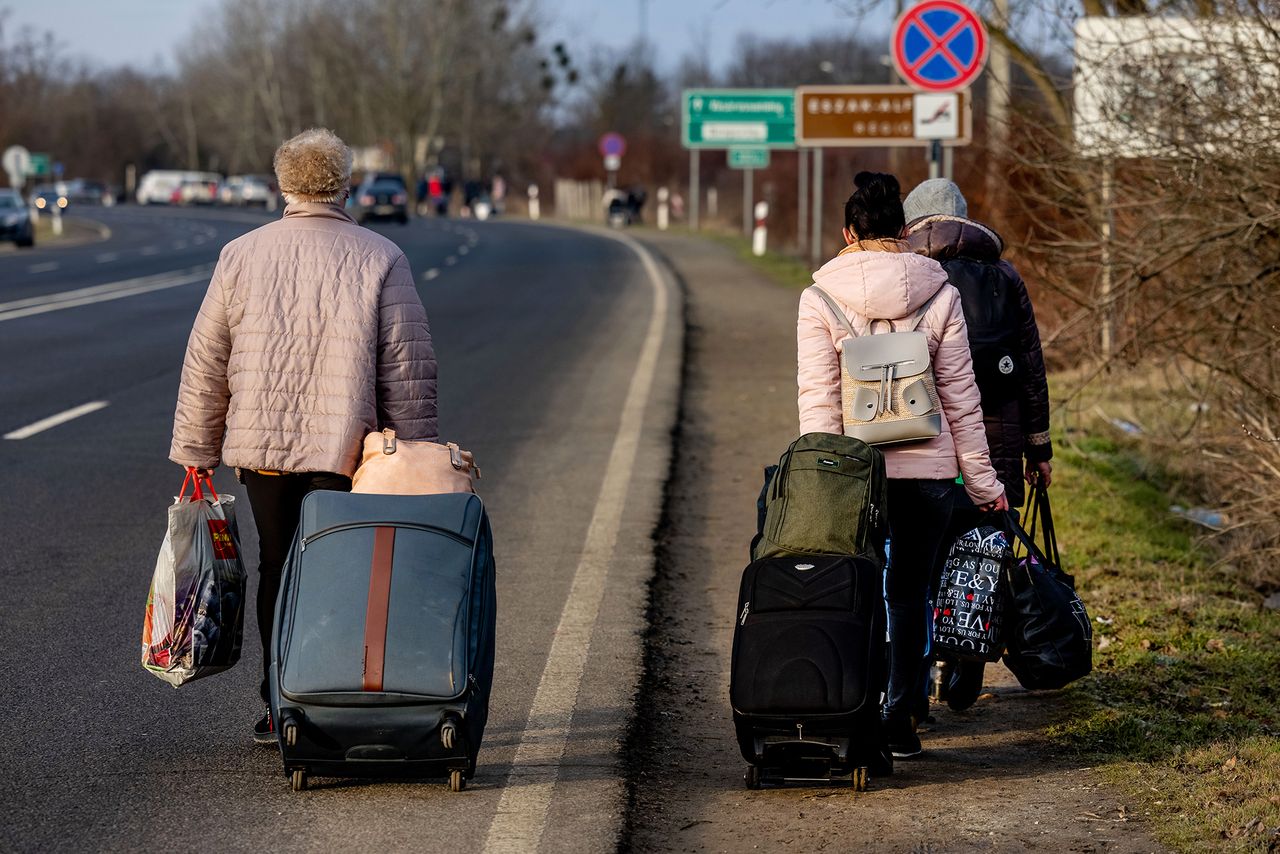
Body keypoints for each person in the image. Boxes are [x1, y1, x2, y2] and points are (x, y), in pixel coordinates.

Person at [168, 128, 438, 744]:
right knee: (340, 568)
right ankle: (334, 697)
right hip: (345, 449)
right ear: (344, 183)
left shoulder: (241, 253)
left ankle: (278, 703)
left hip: (262, 451)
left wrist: (195, 450)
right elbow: (405, 365)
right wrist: (414, 452)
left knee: (278, 566)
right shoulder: (380, 256)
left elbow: (207, 358)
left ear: (284, 184)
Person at [797, 171, 1006, 759]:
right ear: (905, 233)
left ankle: (856, 711)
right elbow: (963, 399)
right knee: (910, 594)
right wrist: (986, 486)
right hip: (930, 477)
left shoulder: (820, 298)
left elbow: (820, 403)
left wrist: (822, 483)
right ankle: (902, 714)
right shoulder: (940, 293)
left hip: (855, 476)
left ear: (847, 232)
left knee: (857, 589)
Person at [903, 179, 1053, 712]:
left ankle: (914, 685)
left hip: (925, 438)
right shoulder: (1005, 275)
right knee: (982, 554)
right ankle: (965, 658)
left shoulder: (910, 273)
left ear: (913, 221)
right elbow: (1030, 368)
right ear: (965, 219)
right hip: (998, 442)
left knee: (921, 558)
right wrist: (1039, 448)